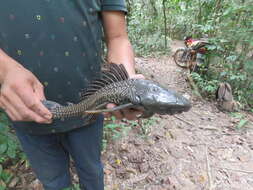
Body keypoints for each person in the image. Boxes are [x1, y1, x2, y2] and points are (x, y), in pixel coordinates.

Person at [0, 1, 142, 189]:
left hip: (89, 114)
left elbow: (117, 36)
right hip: (27, 113)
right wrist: (5, 69)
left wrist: (125, 83)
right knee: (53, 181)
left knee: (92, 173)